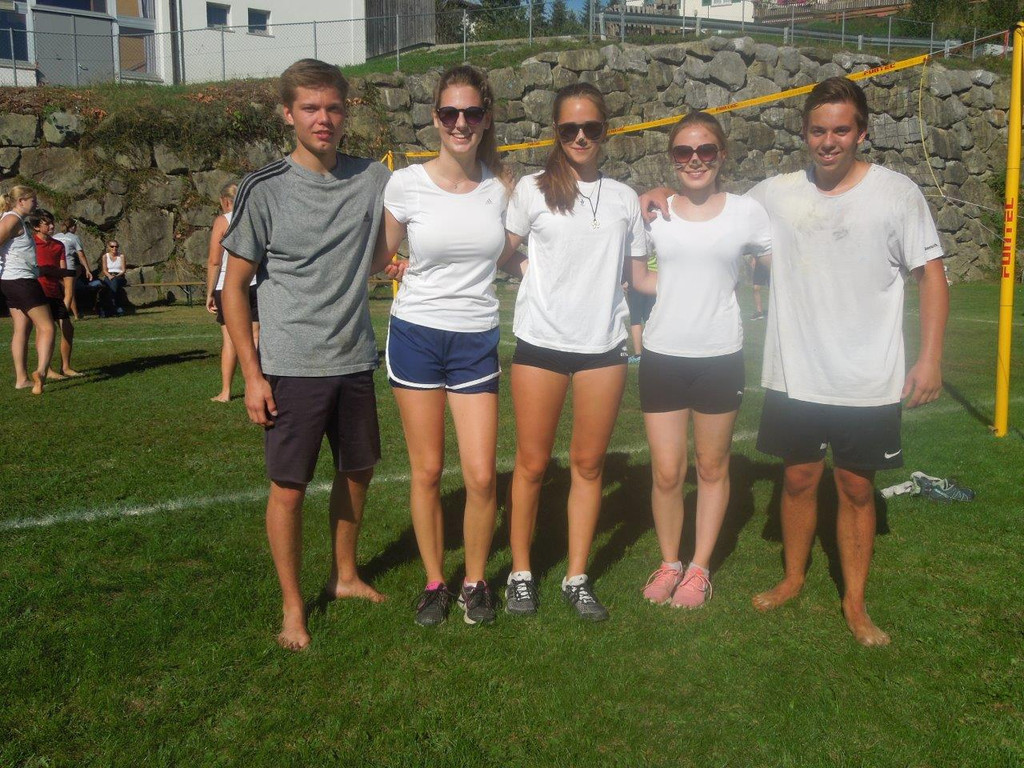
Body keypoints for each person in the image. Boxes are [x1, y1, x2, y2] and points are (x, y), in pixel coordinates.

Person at [645, 78, 948, 645]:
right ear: (804, 133)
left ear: (862, 132)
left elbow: (931, 275)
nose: (828, 141)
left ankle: (854, 603)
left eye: (841, 130)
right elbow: (708, 201)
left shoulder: (897, 193)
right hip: (795, 373)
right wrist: (657, 193)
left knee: (856, 488)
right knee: (799, 478)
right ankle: (792, 578)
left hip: (867, 375)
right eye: (817, 130)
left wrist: (930, 358)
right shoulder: (775, 194)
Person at [220, 58, 398, 652]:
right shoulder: (264, 187)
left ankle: (344, 576)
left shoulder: (374, 178)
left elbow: (390, 240)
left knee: (358, 472)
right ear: (288, 114)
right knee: (289, 488)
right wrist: (252, 375)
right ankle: (293, 606)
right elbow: (233, 287)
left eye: (333, 107)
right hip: (291, 367)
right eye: (310, 108)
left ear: (347, 112)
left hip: (354, 358)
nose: (324, 119)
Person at [502, 82, 646, 622]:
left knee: (588, 466)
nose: (581, 137)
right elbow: (500, 251)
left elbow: (640, 274)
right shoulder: (532, 190)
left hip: (603, 347)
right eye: (569, 129)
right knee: (532, 464)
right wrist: (528, 271)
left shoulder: (625, 198)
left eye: (591, 127)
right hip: (540, 342)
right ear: (556, 133)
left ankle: (576, 577)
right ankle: (521, 574)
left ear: (605, 130)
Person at [378, 65, 512, 627]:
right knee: (428, 471)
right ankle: (435, 582)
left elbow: (517, 252)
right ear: (435, 118)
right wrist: (394, 265)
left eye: (472, 113)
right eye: (451, 113)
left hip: (476, 338)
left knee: (480, 476)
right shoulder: (405, 183)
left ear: (486, 119)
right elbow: (379, 256)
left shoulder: (502, 188)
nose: (461, 123)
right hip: (416, 334)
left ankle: (475, 581)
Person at [632, 112, 771, 609]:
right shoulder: (654, 211)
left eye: (706, 150)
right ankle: (670, 562)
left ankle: (699, 569)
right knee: (667, 472)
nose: (695, 160)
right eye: (683, 152)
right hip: (662, 356)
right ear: (672, 158)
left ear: (721, 155)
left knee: (711, 468)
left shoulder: (746, 212)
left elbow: (782, 260)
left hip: (720, 356)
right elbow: (642, 280)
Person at [205, 182, 259, 403]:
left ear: (225, 201)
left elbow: (214, 261)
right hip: (254, 283)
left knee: (230, 340)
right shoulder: (255, 219)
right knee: (255, 337)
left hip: (227, 286)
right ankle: (253, 385)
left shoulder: (223, 221)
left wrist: (209, 293)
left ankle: (226, 391)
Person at [0, 185, 53, 395]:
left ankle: (21, 379)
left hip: (12, 281)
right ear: (21, 201)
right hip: (21, 281)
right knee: (47, 327)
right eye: (33, 200)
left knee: (22, 328)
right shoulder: (12, 219)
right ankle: (41, 372)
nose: (36, 203)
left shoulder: (16, 220)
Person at [29, 209, 81, 379]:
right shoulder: (30, 243)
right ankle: (47, 369)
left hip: (55, 293)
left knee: (68, 328)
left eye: (52, 222)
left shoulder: (58, 245)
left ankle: (65, 367)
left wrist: (67, 293)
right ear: (36, 227)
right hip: (38, 293)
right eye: (47, 223)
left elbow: (63, 271)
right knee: (43, 330)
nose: (52, 226)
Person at [54, 218, 90, 320]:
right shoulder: (74, 238)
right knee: (69, 293)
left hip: (56, 267)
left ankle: (75, 314)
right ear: (73, 227)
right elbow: (81, 255)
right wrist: (87, 269)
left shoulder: (55, 237)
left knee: (66, 291)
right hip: (68, 267)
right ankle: (64, 315)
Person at [99, 239, 127, 317]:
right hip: (109, 275)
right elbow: (104, 270)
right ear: (108, 247)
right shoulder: (105, 256)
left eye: (116, 246)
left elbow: (123, 270)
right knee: (109, 285)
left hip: (119, 276)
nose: (114, 248)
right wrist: (109, 276)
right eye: (112, 246)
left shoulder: (121, 256)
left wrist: (116, 276)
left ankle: (108, 308)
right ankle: (116, 308)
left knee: (114, 283)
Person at [749, 249, 769, 321]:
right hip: (759, 262)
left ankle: (778, 309)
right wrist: (754, 258)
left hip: (770, 261)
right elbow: (755, 246)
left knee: (774, 288)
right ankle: (759, 312)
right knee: (756, 288)